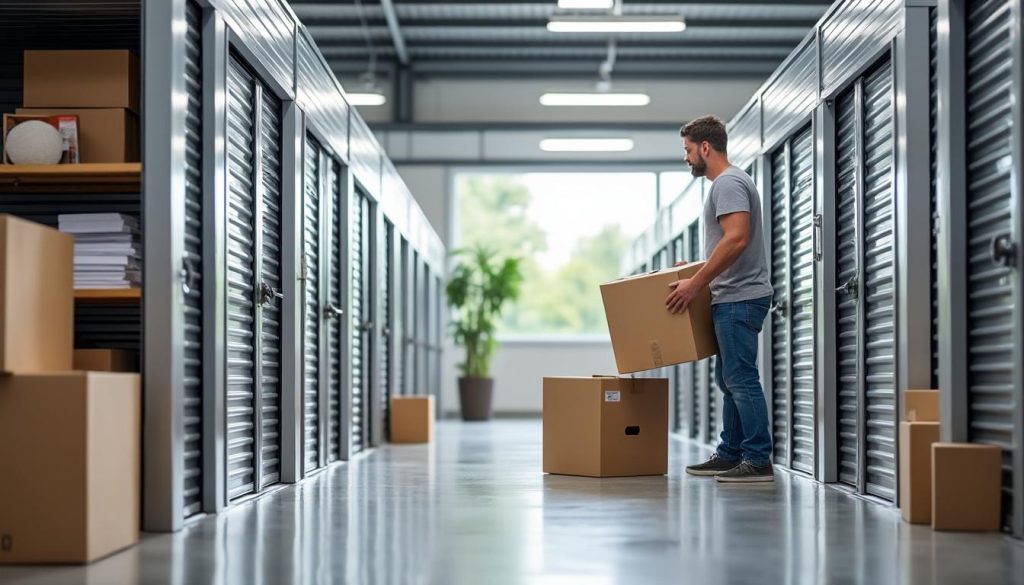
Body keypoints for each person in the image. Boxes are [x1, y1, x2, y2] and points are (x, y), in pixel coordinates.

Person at [664, 115, 775, 483]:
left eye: (687, 150)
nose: (686, 157)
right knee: (730, 381)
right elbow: (728, 245)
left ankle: (757, 460)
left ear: (705, 147)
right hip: (732, 295)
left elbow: (737, 239)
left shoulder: (727, 183)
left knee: (741, 379)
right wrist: (695, 268)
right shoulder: (728, 183)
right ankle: (731, 453)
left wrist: (695, 283)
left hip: (739, 298)